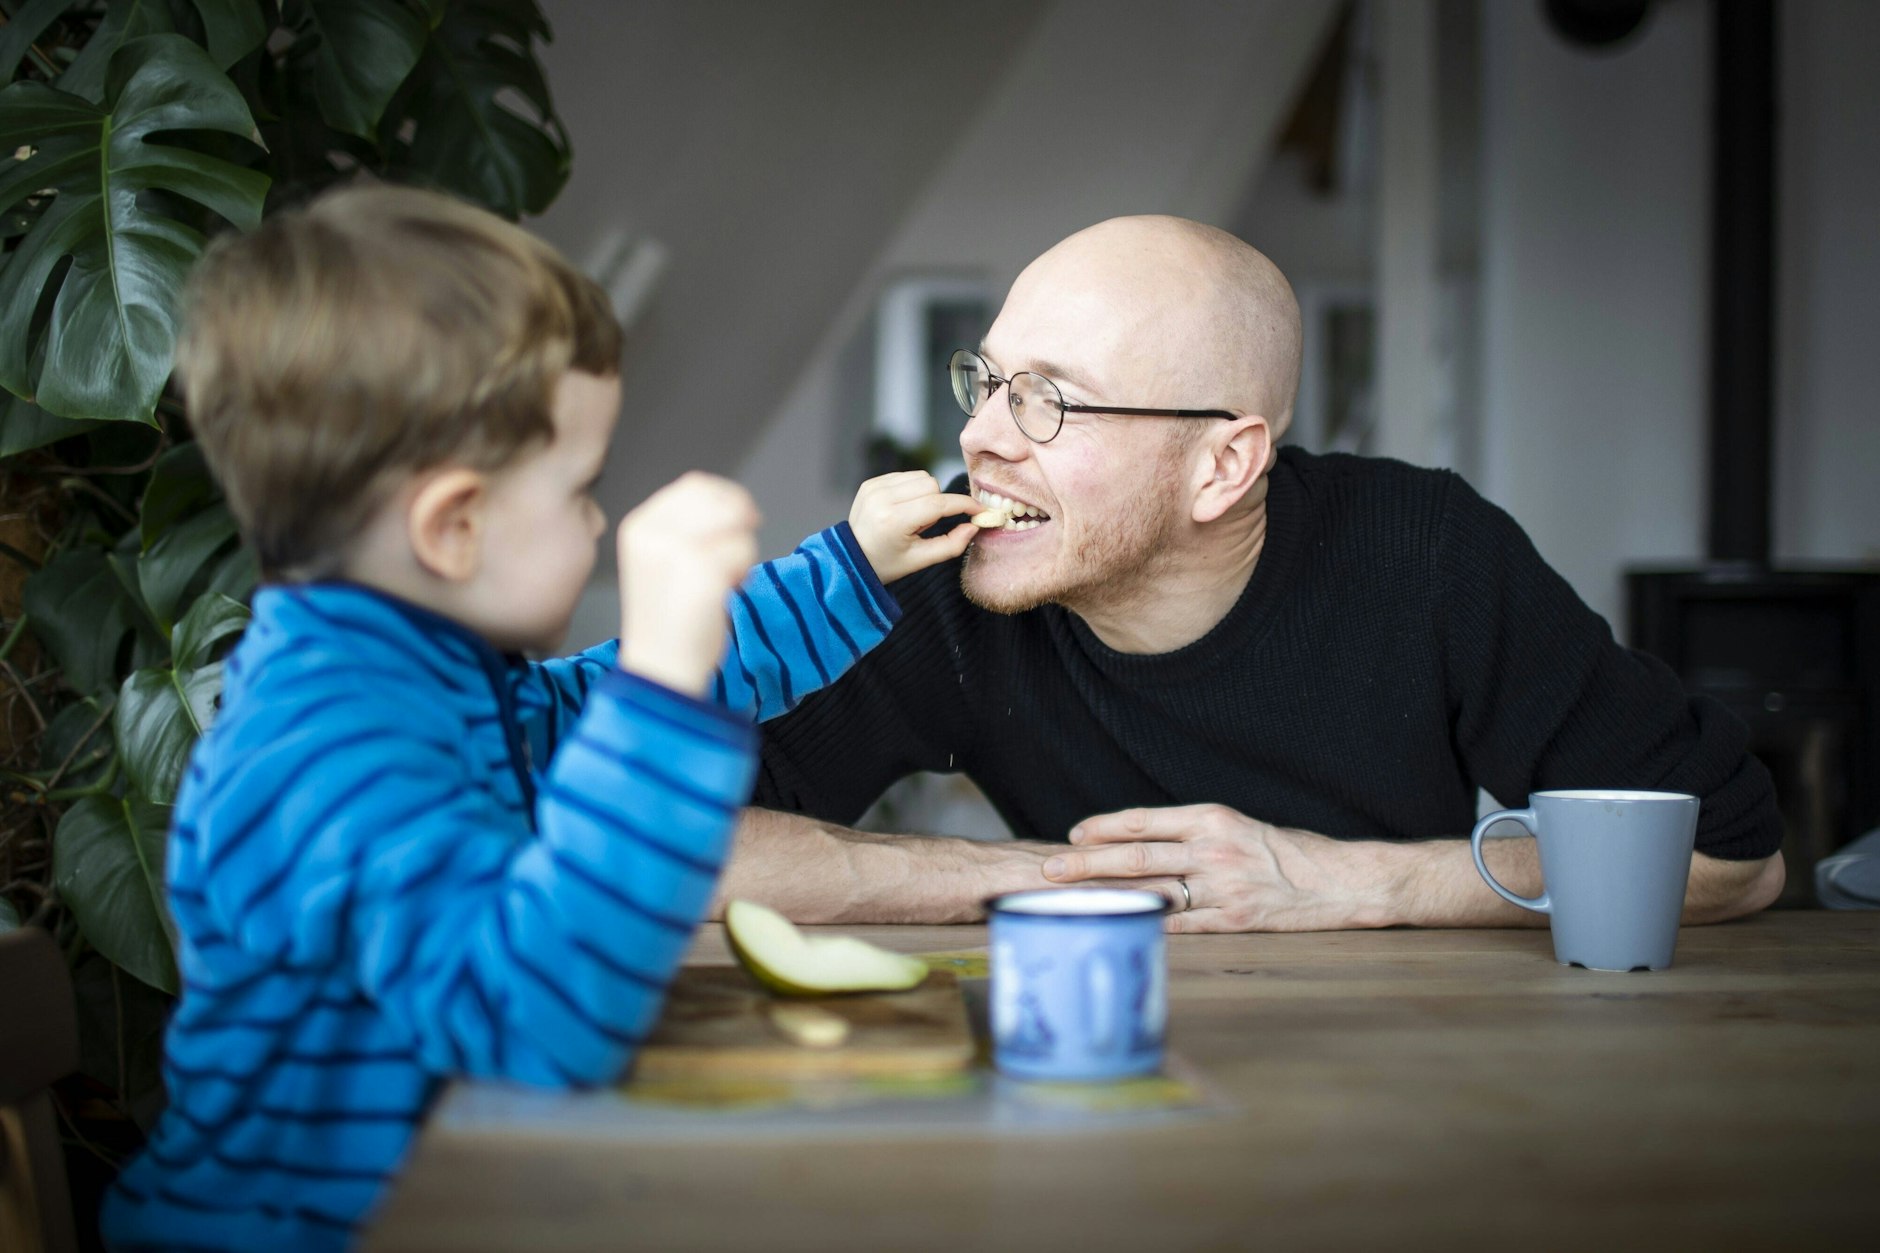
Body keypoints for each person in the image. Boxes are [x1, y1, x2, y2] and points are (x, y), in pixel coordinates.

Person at [100, 185, 980, 1251]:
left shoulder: (432, 680)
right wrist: (658, 681)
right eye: (578, 490)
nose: (598, 518)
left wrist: (844, 567)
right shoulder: (324, 752)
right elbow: (538, 1021)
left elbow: (611, 699)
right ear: (453, 526)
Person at [726, 215, 1785, 931]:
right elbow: (646, 834)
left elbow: (1728, 854)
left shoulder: (1425, 553)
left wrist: (1347, 881)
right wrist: (1045, 876)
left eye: (1047, 397)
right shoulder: (945, 580)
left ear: (1221, 465)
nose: (980, 436)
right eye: (987, 381)